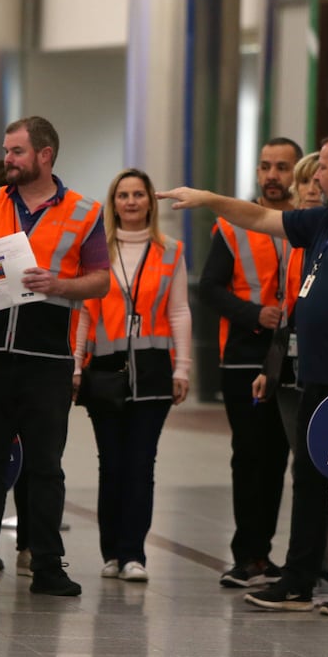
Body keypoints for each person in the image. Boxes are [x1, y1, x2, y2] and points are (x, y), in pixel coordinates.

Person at [162, 131, 328, 617]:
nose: (313, 175)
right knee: (310, 476)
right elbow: (258, 217)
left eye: (323, 166)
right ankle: (298, 580)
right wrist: (208, 198)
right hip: (317, 372)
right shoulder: (326, 220)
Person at [0, 116, 110, 597]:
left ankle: (48, 565)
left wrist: (60, 285)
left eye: (15, 152)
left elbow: (100, 280)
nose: (6, 160)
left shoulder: (84, 211)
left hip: (48, 358)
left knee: (45, 466)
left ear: (45, 155)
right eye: (7, 152)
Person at [73, 168, 191, 583]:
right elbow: (85, 311)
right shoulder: (97, 251)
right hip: (104, 371)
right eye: (123, 195)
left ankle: (134, 554)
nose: (131, 201)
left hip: (154, 372)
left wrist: (184, 367)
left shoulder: (171, 251)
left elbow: (179, 311)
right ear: (113, 203)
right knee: (112, 464)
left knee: (142, 464)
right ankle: (111, 552)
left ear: (150, 202)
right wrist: (76, 364)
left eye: (139, 194)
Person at [198, 137, 301, 589]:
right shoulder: (234, 226)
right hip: (244, 356)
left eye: (282, 167)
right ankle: (247, 554)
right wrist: (253, 315)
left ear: (297, 174)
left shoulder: (308, 224)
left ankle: (264, 552)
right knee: (249, 456)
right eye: (265, 167)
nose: (272, 176)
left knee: (279, 458)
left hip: (294, 361)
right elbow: (210, 289)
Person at [250, 150, 328, 589]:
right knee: (302, 469)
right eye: (303, 189)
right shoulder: (300, 248)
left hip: (326, 369)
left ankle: (316, 563)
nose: (307, 194)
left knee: (317, 468)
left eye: (314, 187)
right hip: (291, 369)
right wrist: (272, 368)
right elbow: (289, 313)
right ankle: (305, 559)